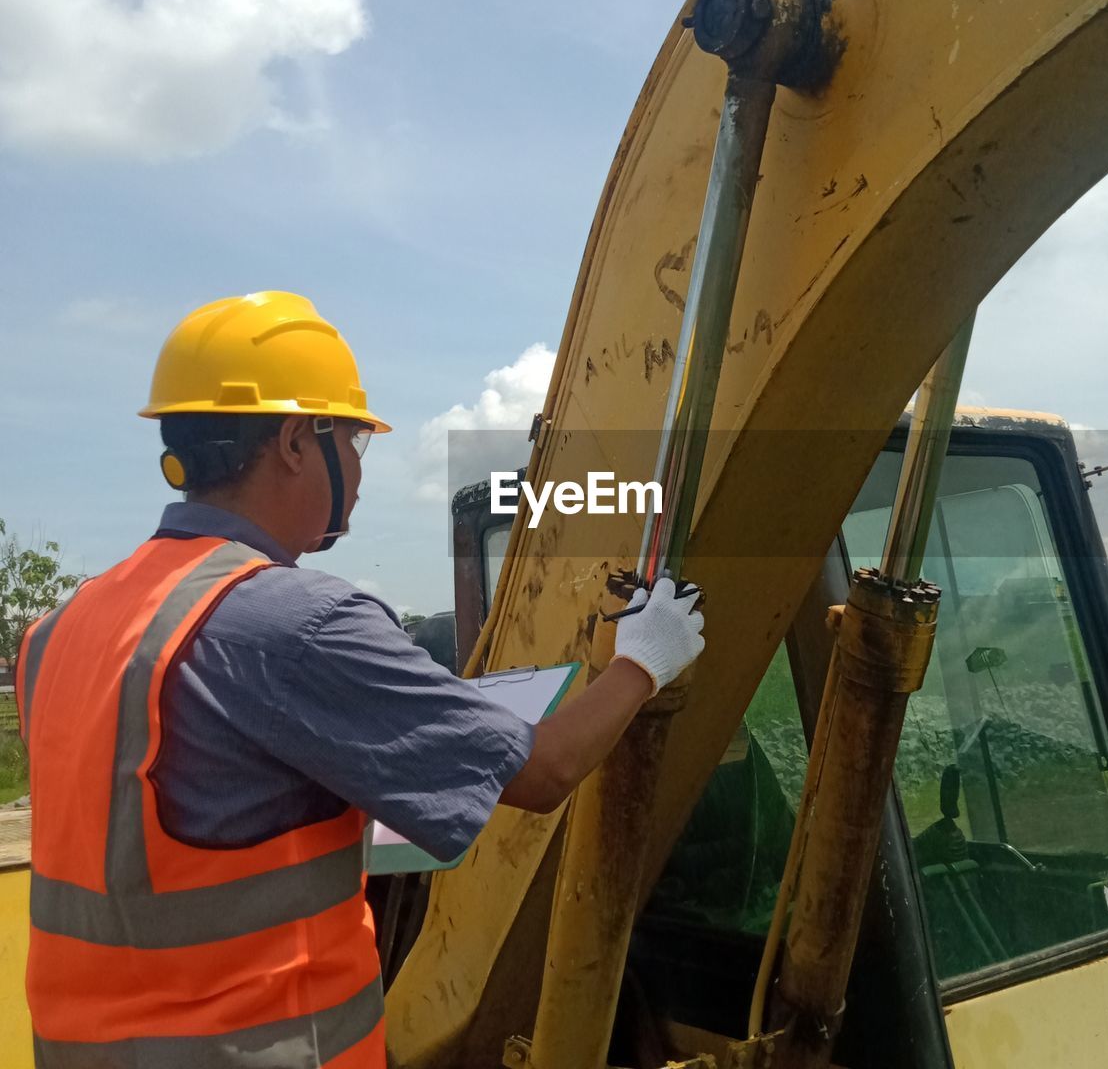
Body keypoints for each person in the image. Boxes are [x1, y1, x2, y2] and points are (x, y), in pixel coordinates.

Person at [16, 291, 705, 1068]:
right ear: (294, 441)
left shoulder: (60, 629)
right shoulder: (297, 622)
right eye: (352, 439)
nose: (358, 468)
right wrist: (644, 661)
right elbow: (542, 771)